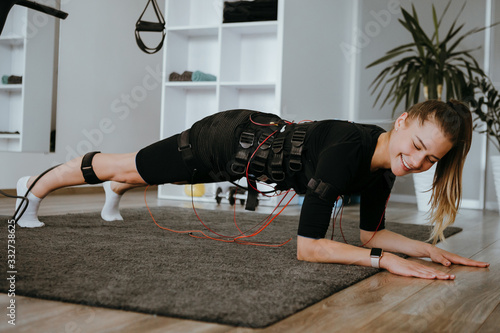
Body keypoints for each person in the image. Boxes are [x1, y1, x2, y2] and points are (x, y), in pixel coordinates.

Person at [14, 99, 489, 279]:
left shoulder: (383, 168)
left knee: (147, 172)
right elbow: (309, 248)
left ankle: (116, 188)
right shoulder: (348, 151)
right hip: (224, 140)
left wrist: (428, 252)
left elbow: (369, 236)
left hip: (241, 160)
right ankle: (36, 186)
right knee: (131, 162)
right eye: (418, 144)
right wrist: (385, 262)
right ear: (403, 122)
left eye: (431, 158)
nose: (419, 160)